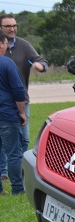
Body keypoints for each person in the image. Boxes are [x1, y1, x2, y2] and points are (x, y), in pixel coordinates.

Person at [0, 14, 48, 183]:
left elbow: (41, 61)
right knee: (4, 141)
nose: (12, 29)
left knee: (23, 138)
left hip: (22, 100)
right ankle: (4, 173)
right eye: (7, 26)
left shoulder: (24, 45)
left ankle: (20, 170)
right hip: (5, 102)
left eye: (14, 25)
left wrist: (40, 66)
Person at [0, 30, 28, 195]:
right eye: (5, 44)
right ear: (1, 44)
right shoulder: (7, 63)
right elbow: (18, 90)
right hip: (7, 114)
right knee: (13, 153)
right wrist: (22, 112)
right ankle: (17, 188)